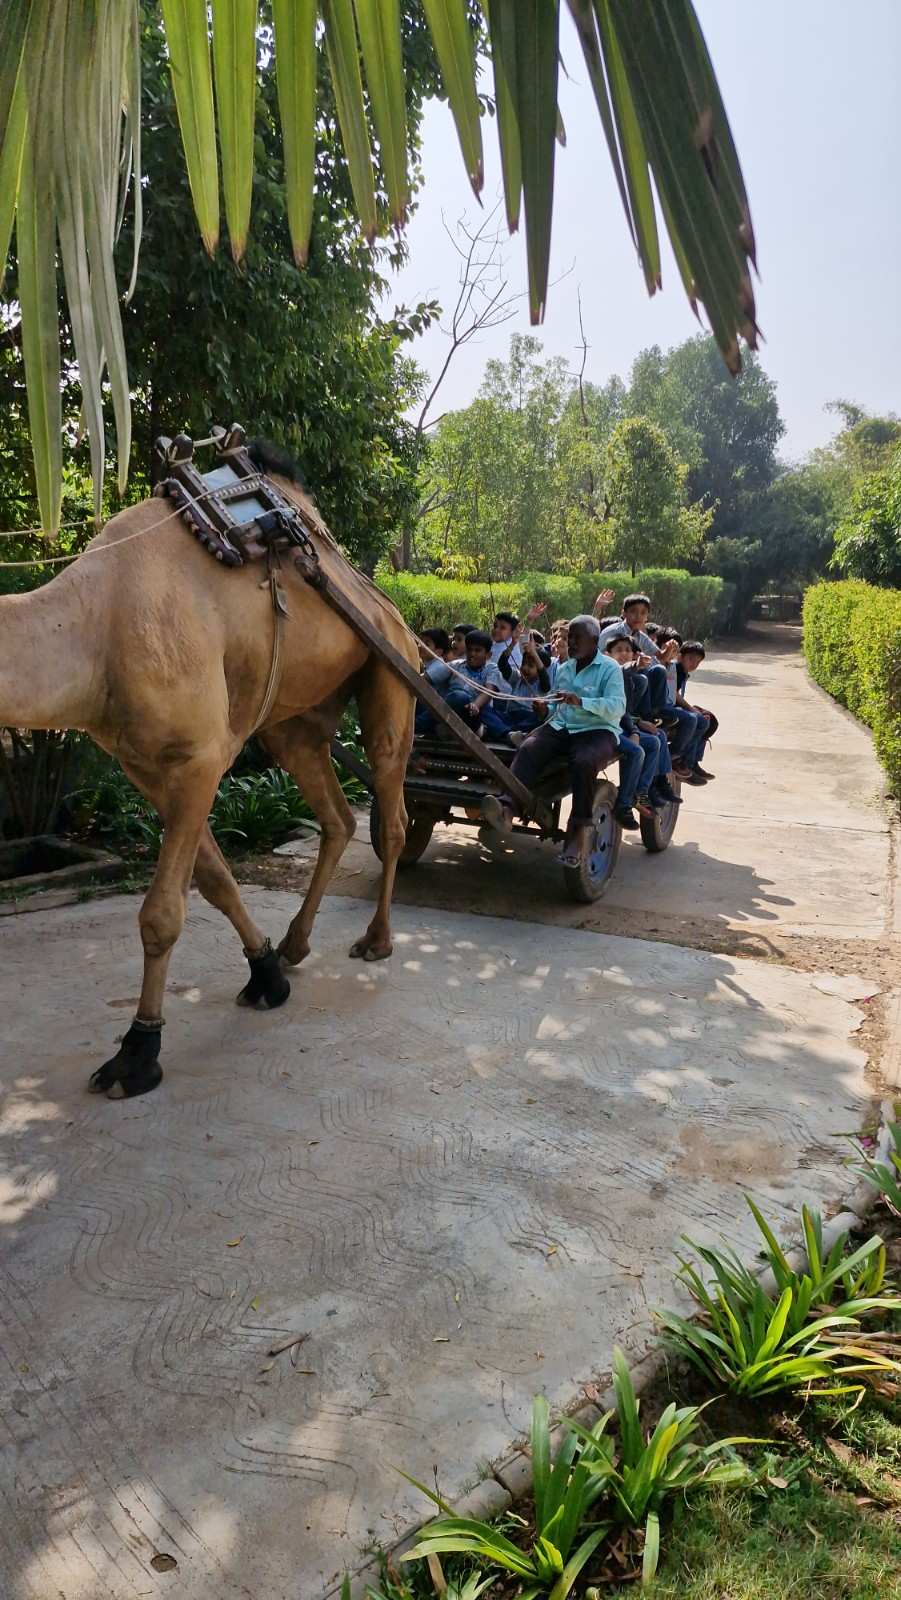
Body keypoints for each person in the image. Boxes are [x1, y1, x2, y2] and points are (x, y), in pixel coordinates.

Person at [488, 615, 625, 865]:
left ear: (594, 641)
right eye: (569, 637)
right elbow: (556, 707)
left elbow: (617, 707)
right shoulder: (565, 668)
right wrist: (545, 710)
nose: (570, 642)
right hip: (562, 726)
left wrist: (582, 701)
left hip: (597, 730)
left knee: (583, 762)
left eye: (576, 638)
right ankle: (507, 806)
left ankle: (578, 832)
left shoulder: (610, 668)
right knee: (529, 747)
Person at [443, 629, 511, 742]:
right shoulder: (456, 666)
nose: (472, 654)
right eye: (469, 650)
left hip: (476, 714)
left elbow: (489, 691)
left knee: (483, 707)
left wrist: (475, 705)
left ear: (488, 655)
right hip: (453, 711)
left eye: (478, 650)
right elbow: (431, 677)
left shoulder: (491, 668)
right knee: (459, 697)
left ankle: (507, 735)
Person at [677, 640, 718, 783]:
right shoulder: (676, 669)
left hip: (676, 706)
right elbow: (673, 695)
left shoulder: (683, 672)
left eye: (697, 662)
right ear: (680, 657)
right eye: (690, 659)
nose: (693, 664)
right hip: (667, 708)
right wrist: (690, 708)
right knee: (699, 720)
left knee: (709, 720)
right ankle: (685, 761)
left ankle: (694, 761)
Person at [495, 634, 551, 737]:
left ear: (539, 669)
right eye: (524, 663)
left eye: (530, 665)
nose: (525, 668)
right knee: (485, 710)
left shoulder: (542, 684)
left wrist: (534, 654)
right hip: (510, 716)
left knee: (539, 720)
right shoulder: (516, 677)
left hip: (528, 717)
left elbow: (544, 676)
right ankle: (510, 734)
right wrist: (512, 644)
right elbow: (502, 664)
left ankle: (503, 731)